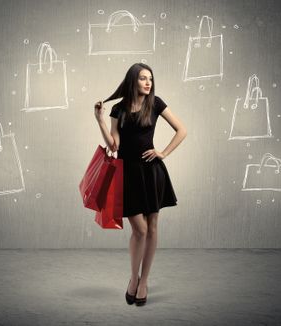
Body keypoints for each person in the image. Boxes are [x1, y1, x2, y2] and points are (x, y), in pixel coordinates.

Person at [94, 63, 187, 306]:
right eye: (143, 78)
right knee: (140, 230)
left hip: (151, 172)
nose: (148, 83)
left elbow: (182, 130)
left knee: (153, 228)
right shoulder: (118, 109)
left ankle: (144, 281)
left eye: (151, 79)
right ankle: (132, 279)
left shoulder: (156, 103)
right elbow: (113, 146)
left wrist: (163, 152)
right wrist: (100, 120)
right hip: (128, 174)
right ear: (133, 81)